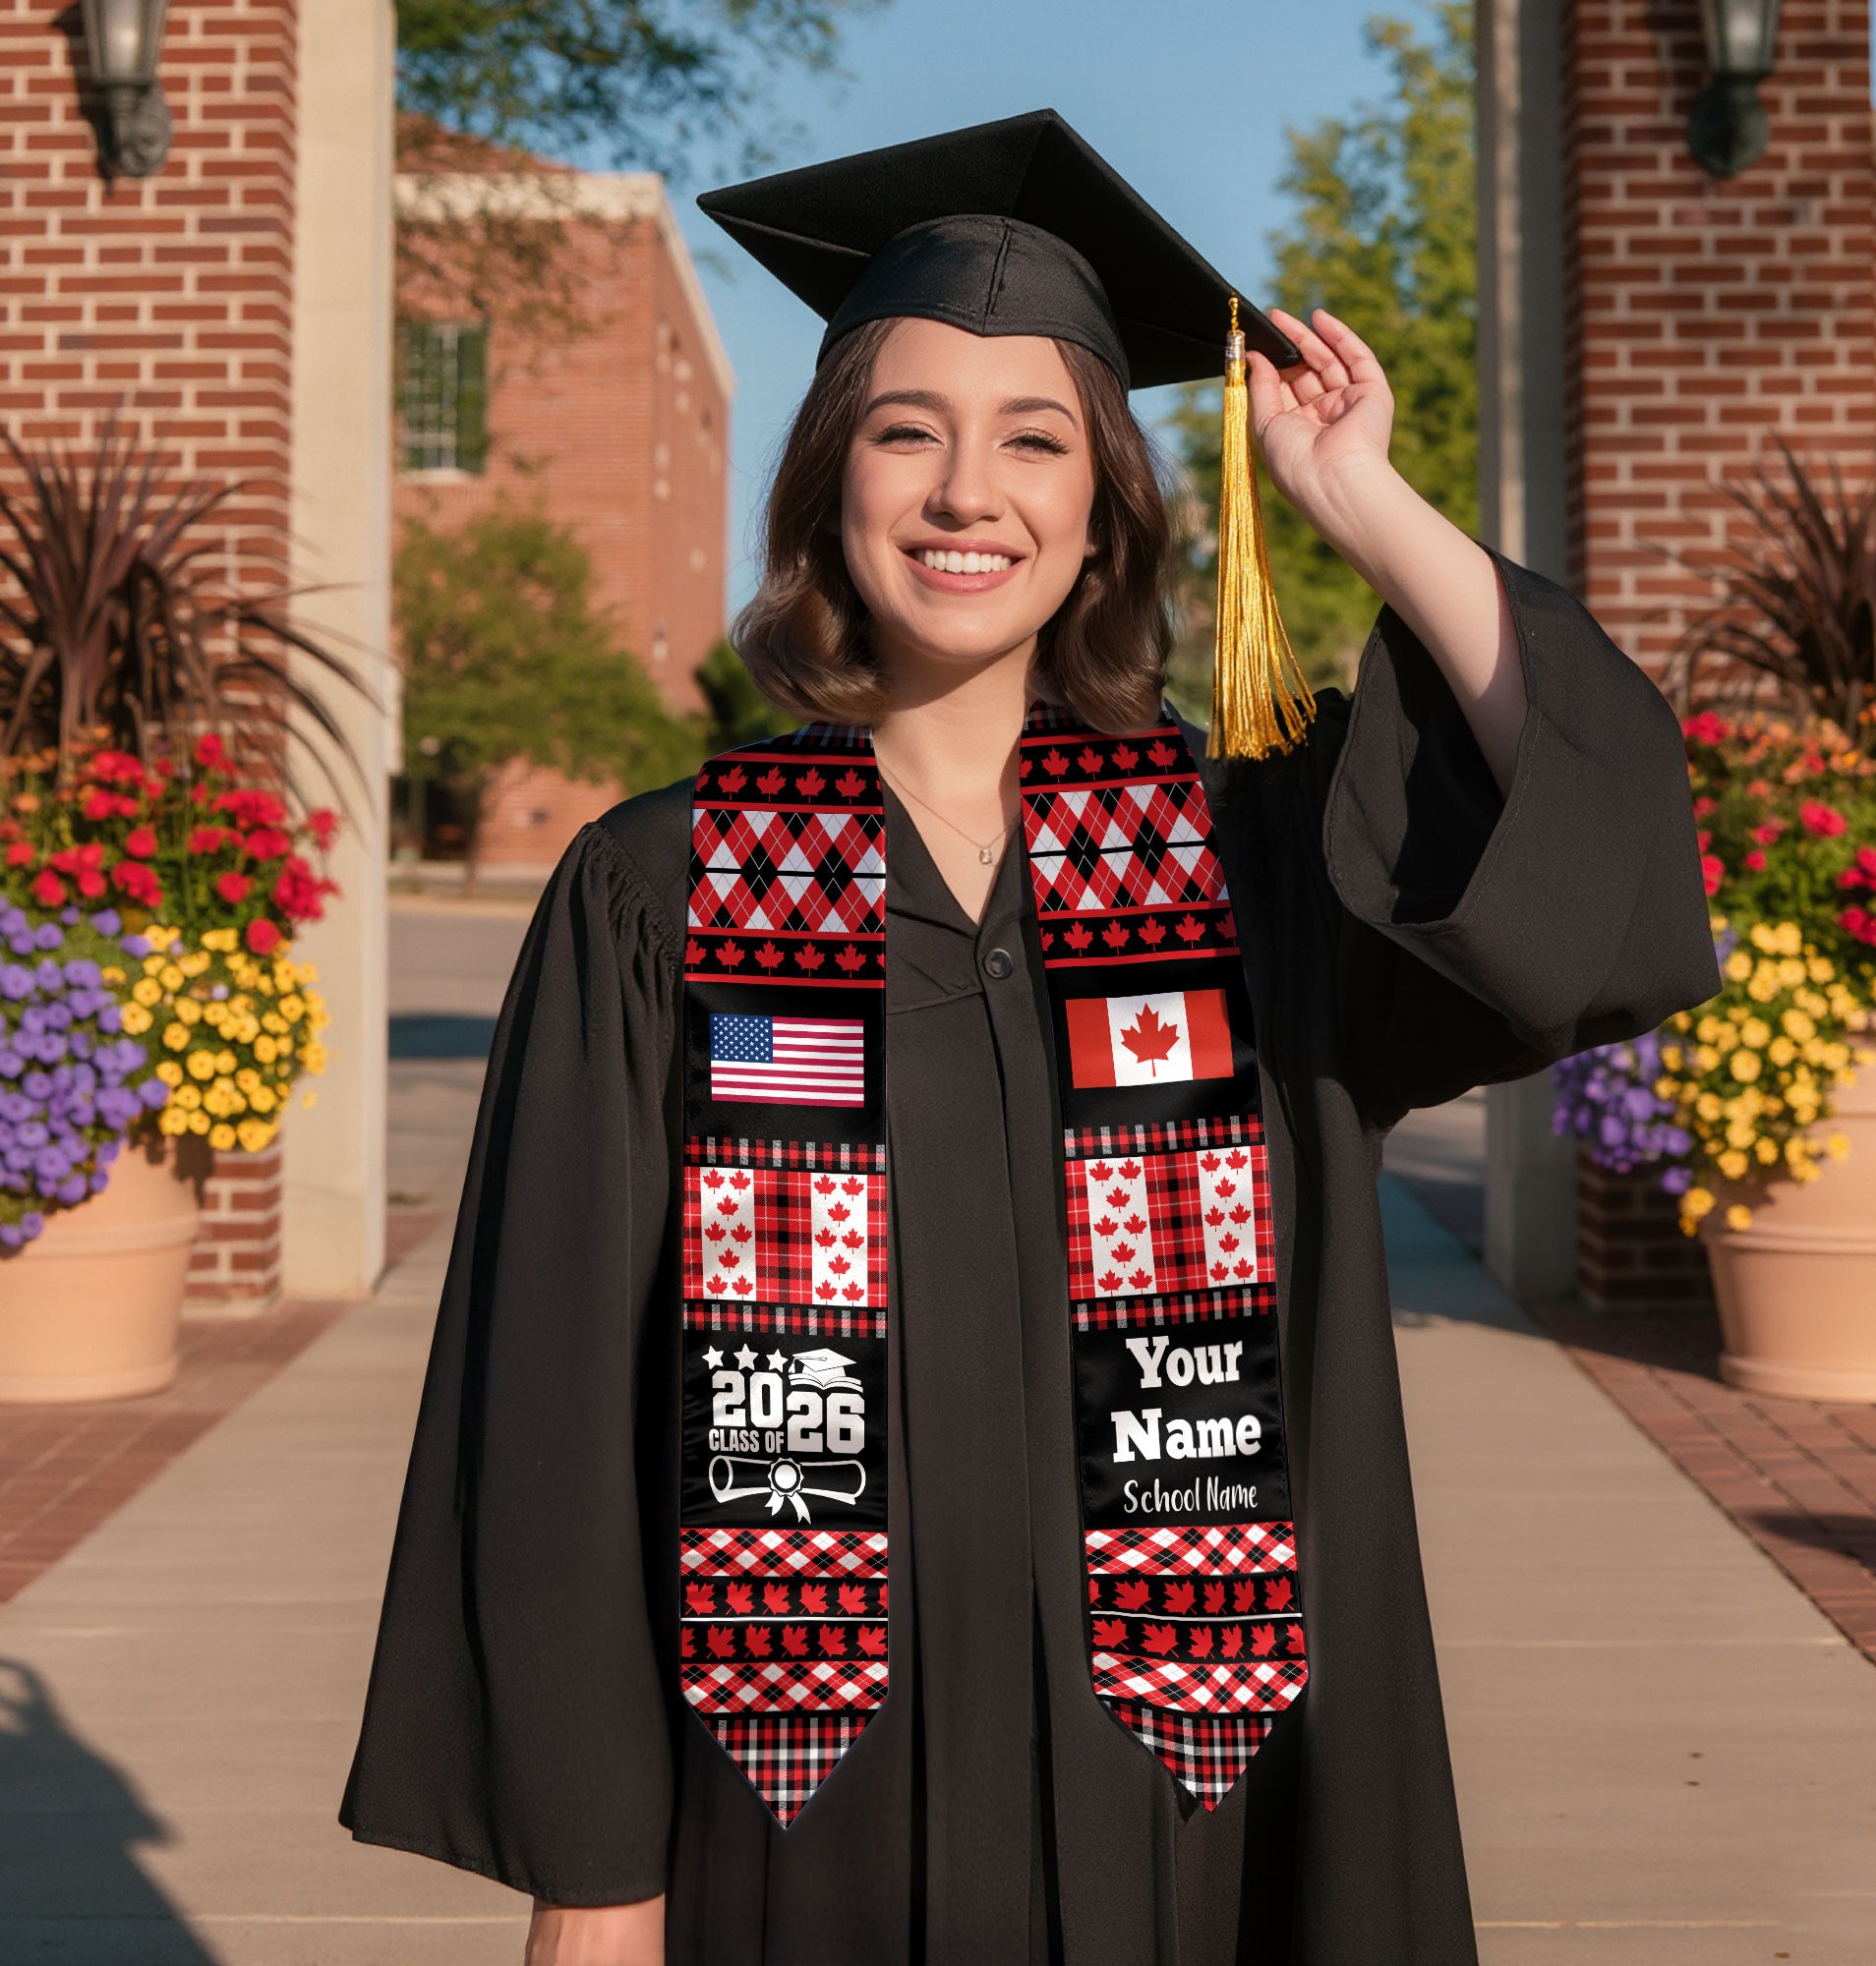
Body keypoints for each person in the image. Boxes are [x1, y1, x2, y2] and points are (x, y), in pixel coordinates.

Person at [338, 111, 1721, 1966]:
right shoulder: (664, 890)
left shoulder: (1242, 872)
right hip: (794, 1810)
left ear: (1101, 513)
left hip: (1199, 1802)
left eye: (1034, 440)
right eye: (908, 431)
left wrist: (1360, 500)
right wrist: (596, 1875)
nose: (964, 492)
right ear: (833, 480)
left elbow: (1586, 849)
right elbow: (557, 1404)